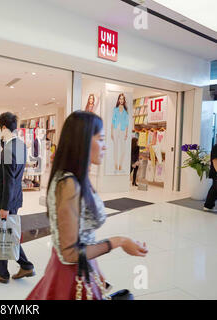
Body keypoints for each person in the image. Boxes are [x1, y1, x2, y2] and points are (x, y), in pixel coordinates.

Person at [26, 111, 148, 300]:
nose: (105, 146)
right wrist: (119, 241)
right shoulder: (68, 184)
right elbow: (69, 252)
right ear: (82, 142)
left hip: (80, 268)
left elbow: (81, 237)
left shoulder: (76, 177)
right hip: (70, 275)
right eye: (101, 139)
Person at [0, 112, 35, 284]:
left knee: (2, 234)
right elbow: (15, 178)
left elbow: (8, 181)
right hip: (15, 198)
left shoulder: (8, 150)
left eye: (0, 128)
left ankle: (5, 272)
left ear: (4, 127)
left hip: (4, 200)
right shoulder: (20, 146)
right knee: (7, 233)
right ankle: (14, 268)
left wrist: (4, 207)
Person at [111, 93, 129, 172]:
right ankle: (115, 165)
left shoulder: (125, 111)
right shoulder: (115, 109)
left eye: (123, 99)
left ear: (124, 100)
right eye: (120, 99)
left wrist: (126, 133)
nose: (121, 100)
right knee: (115, 148)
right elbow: (112, 121)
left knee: (123, 149)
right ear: (118, 100)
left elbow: (127, 123)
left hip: (122, 130)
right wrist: (111, 132)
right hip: (115, 129)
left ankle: (120, 165)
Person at [204, 143, 217, 212]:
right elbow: (215, 161)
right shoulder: (216, 147)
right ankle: (208, 205)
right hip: (215, 172)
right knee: (215, 188)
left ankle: (208, 206)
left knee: (214, 189)